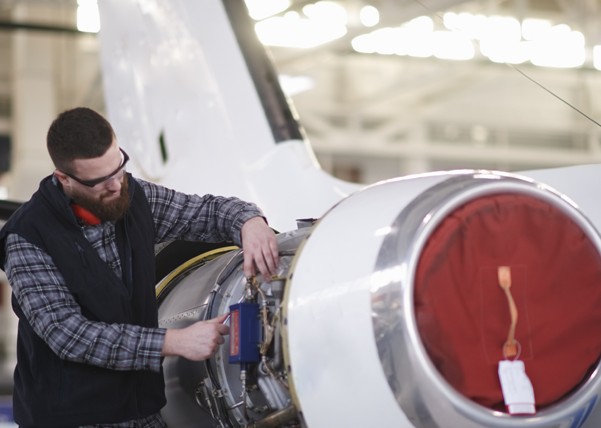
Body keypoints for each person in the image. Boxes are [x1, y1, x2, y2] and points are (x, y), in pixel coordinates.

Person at [0, 107, 279, 428]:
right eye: (100, 182)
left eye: (119, 168)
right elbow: (68, 334)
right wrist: (174, 342)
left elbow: (207, 212)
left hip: (140, 412)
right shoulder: (28, 237)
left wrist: (250, 221)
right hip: (71, 418)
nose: (116, 186)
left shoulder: (136, 197)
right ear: (64, 178)